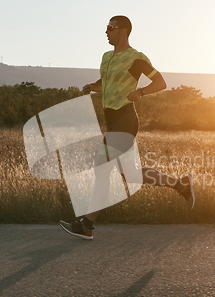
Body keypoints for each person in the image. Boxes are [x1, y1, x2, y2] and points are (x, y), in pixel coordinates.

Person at [60, 16, 194, 240]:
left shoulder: (136, 58)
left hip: (125, 118)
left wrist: (140, 92)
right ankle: (180, 185)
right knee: (130, 175)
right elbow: (106, 83)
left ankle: (86, 225)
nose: (106, 32)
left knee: (101, 169)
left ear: (122, 31)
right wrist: (92, 87)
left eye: (109, 28)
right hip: (113, 121)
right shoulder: (106, 57)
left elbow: (160, 82)